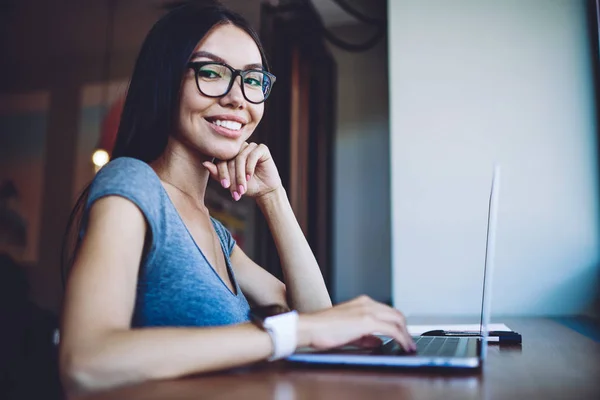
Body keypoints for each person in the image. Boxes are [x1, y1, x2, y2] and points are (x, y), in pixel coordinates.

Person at [59, 1, 415, 393]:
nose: (238, 99)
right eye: (211, 72)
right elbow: (86, 359)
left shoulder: (217, 234)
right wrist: (287, 333)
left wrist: (274, 196)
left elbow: (317, 316)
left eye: (253, 80)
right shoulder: (133, 183)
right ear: (166, 79)